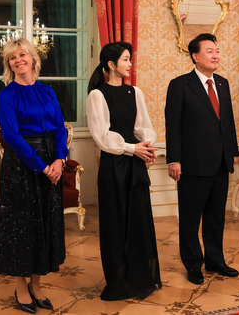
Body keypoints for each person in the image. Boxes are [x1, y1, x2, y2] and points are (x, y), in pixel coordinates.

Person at [0, 37, 68, 314]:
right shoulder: (7, 94)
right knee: (21, 227)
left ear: (33, 59)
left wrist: (60, 159)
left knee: (44, 223)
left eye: (23, 54)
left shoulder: (48, 91)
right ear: (9, 64)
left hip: (51, 161)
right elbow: (11, 136)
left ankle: (37, 285)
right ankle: (21, 286)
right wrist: (42, 166)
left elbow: (60, 128)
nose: (18, 60)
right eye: (12, 57)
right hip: (22, 166)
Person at [86, 42, 161, 301]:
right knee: (116, 224)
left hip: (136, 162)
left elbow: (143, 126)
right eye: (126, 59)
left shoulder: (134, 92)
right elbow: (102, 136)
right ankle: (118, 282)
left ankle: (139, 276)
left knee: (138, 220)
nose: (130, 64)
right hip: (115, 166)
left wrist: (147, 148)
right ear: (111, 64)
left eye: (130, 59)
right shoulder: (97, 95)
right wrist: (133, 149)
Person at [165, 33, 239, 285]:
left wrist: (233, 151)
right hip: (192, 163)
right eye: (210, 51)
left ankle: (215, 260)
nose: (216, 55)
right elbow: (172, 125)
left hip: (220, 161)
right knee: (190, 217)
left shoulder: (223, 83)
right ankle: (193, 263)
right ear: (195, 56)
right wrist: (173, 159)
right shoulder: (180, 84)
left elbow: (226, 122)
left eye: (217, 51)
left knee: (216, 216)